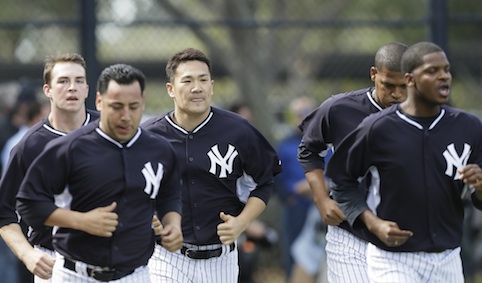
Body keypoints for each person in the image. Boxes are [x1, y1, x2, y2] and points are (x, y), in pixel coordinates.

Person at [326, 41, 482, 282]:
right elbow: (340, 180)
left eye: (446, 70)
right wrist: (372, 223)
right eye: (432, 71)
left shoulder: (468, 127)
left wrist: (480, 186)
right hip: (394, 260)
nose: (443, 77)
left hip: (449, 258)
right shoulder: (377, 128)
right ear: (410, 79)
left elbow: (478, 199)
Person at [16, 63, 183, 283]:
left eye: (133, 106)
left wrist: (173, 224)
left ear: (143, 102)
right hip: (75, 274)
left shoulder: (159, 149)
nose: (126, 116)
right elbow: (29, 204)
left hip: (136, 275)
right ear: (99, 102)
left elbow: (169, 194)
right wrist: (80, 221)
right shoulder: (68, 149)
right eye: (116, 106)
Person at [142, 48, 282, 283]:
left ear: (212, 86)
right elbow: (128, 186)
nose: (197, 87)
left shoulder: (239, 130)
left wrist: (241, 222)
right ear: (170, 89)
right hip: (166, 257)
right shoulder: (148, 137)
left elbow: (264, 182)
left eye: (203, 80)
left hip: (221, 258)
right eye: (187, 80)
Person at [297, 42, 408, 282]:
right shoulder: (339, 108)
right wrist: (320, 199)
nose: (397, 94)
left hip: (400, 233)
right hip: (349, 231)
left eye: (404, 86)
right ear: (374, 74)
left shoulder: (425, 116)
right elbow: (308, 149)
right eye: (389, 85)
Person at [0, 53, 99, 282]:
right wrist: (27, 254)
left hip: (113, 261)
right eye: (63, 81)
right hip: (55, 264)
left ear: (87, 89)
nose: (72, 87)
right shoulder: (28, 145)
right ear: (48, 90)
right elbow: (4, 213)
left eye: (79, 81)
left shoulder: (110, 131)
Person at [275, 96, 315, 280]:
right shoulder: (284, 146)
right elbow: (277, 181)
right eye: (300, 114)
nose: (304, 118)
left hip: (323, 208)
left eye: (308, 114)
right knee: (294, 254)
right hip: (296, 207)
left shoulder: (326, 144)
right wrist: (295, 189)